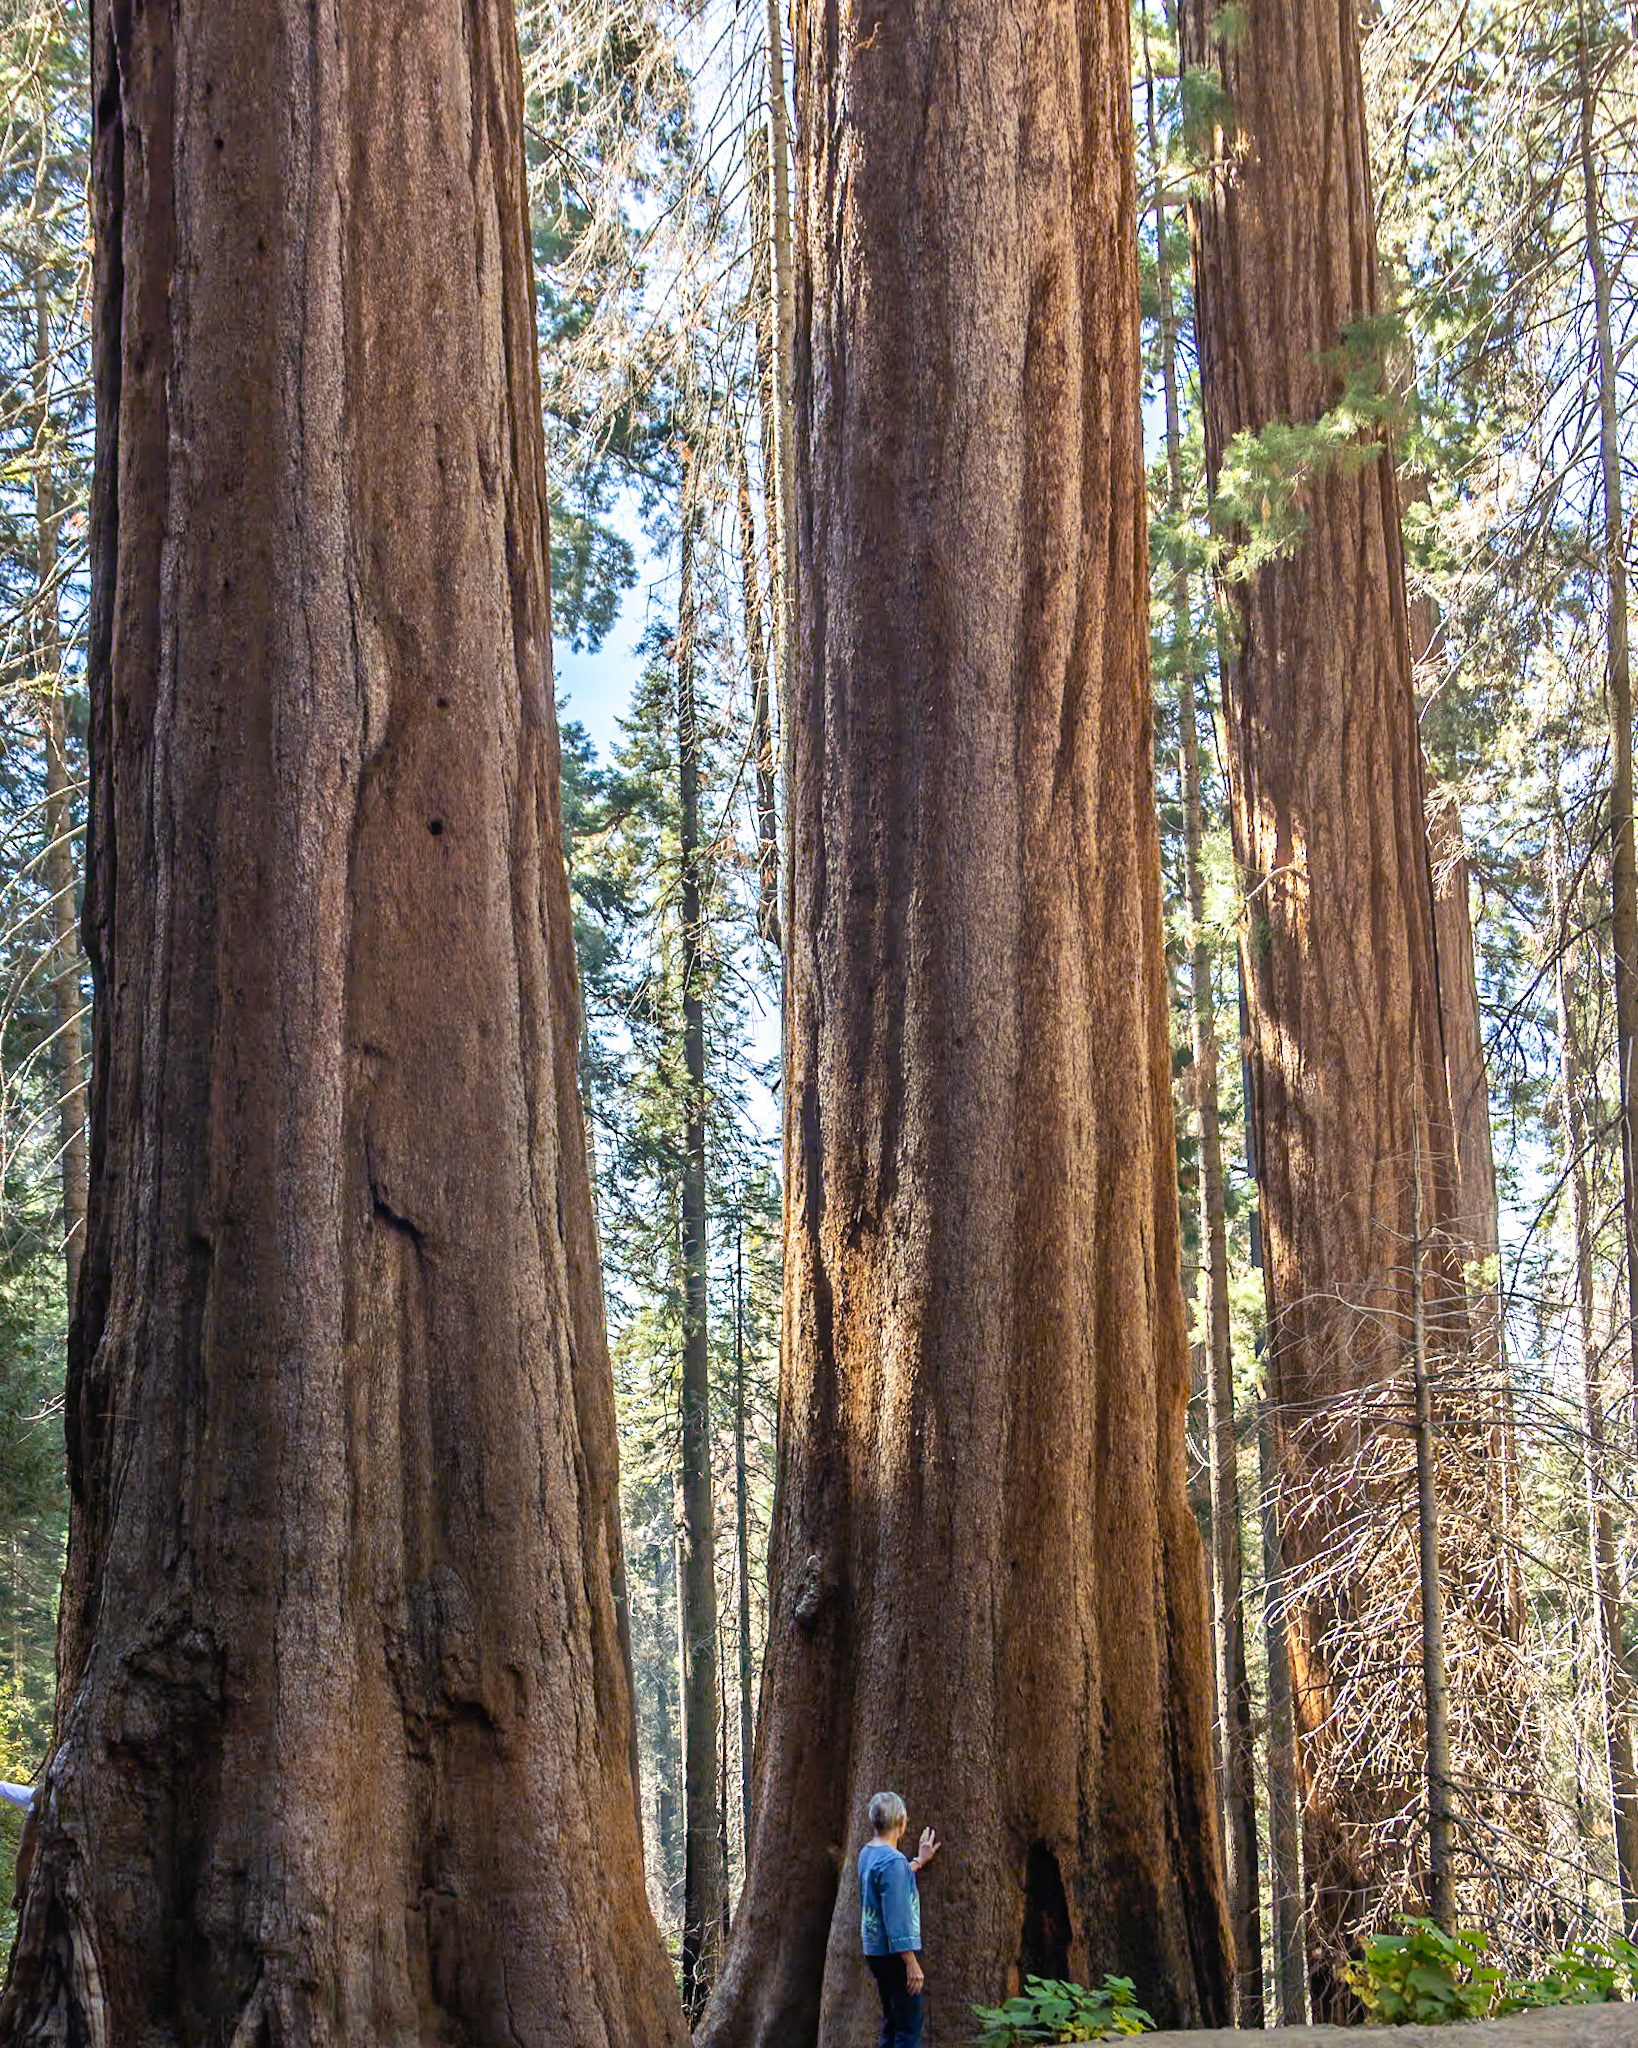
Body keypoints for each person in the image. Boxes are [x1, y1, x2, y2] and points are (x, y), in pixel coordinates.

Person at [859, 1789, 940, 2048]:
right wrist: (911, 1962)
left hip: (876, 1953)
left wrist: (917, 1861)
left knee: (892, 2026)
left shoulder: (868, 1854)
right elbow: (896, 1915)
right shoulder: (892, 1862)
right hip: (895, 1956)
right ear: (902, 1822)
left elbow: (890, 1879)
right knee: (907, 2030)